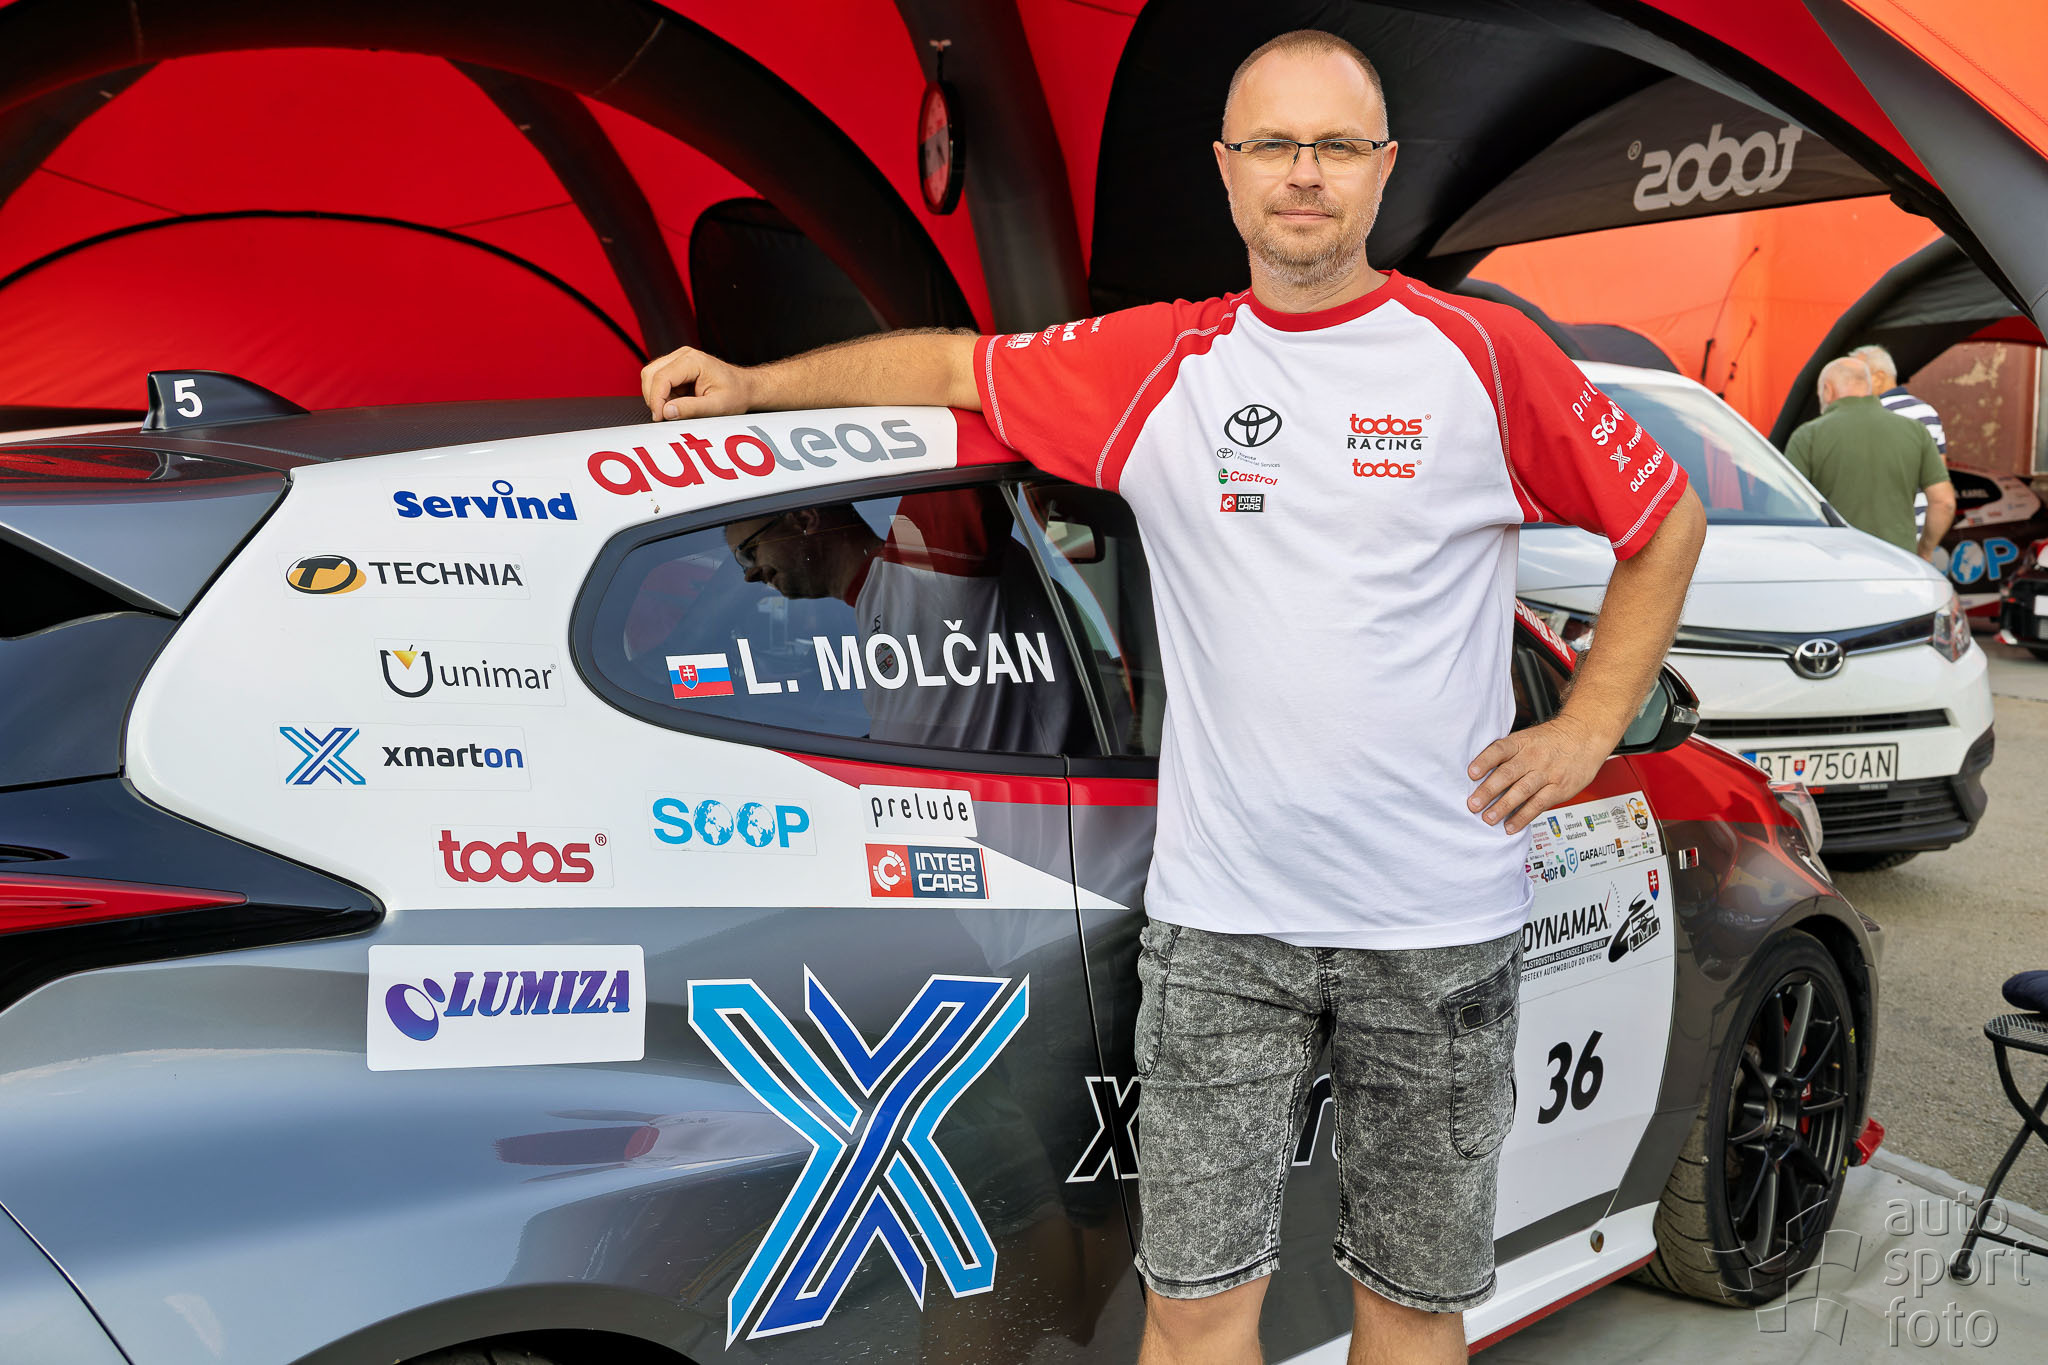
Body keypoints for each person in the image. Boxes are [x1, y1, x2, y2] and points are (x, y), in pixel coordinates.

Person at [642, 28, 1705, 1365]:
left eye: (1334, 146)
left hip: (1437, 925)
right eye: (1273, 145)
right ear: (1226, 169)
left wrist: (1588, 725)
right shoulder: (1162, 365)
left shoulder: (1483, 354)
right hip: (1223, 930)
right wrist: (752, 387)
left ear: (1381, 169)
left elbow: (1661, 520)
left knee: (1411, 1304)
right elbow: (954, 367)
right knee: (1195, 1306)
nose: (1303, 174)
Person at [720, 489, 1082, 752]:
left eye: (750, 552)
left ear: (804, 519)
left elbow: (948, 434)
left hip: (1030, 822)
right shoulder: (878, 599)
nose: (749, 574)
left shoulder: (925, 556)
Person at [1786, 354, 1956, 559]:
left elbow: (1787, 508)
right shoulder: (1916, 431)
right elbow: (1944, 502)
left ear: (1827, 390)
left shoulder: (1807, 436)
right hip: (1900, 563)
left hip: (1835, 563)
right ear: (1868, 386)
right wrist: (1925, 550)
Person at [1853, 342, 1949, 455]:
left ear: (1878, 378)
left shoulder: (1864, 413)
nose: (1850, 384)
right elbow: (1940, 463)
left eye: (1856, 377)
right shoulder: (1928, 412)